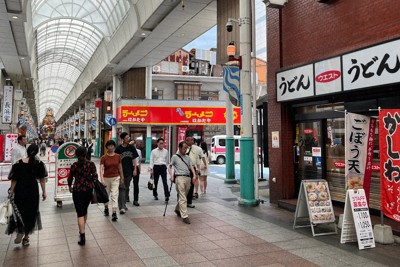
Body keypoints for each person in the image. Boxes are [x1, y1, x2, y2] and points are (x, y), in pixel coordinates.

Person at [7, 144, 47, 246]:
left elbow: (14, 180)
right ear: (37, 152)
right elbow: (42, 179)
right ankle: (26, 237)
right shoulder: (38, 163)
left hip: (20, 189)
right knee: (31, 212)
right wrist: (44, 192)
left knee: (20, 211)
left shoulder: (18, 163)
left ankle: (20, 230)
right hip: (32, 190)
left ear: (27, 151)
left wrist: (11, 192)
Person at [68, 146, 98, 246]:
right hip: (88, 190)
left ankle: (82, 235)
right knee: (84, 210)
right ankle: (82, 228)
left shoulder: (74, 165)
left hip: (77, 191)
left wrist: (69, 187)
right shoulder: (91, 164)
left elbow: (70, 178)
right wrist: (91, 184)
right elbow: (95, 177)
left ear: (76, 154)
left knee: (79, 213)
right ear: (85, 154)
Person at [168, 141, 197, 224]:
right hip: (179, 178)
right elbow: (169, 166)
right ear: (180, 148)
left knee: (184, 196)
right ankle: (185, 216)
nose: (185, 150)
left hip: (188, 177)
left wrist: (194, 175)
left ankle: (177, 209)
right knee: (182, 196)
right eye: (184, 148)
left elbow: (191, 166)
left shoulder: (187, 157)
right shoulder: (175, 157)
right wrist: (171, 176)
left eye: (186, 148)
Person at [100, 140, 124, 221]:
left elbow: (120, 168)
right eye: (109, 146)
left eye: (112, 145)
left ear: (114, 146)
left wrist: (122, 177)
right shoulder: (104, 157)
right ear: (107, 147)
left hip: (115, 178)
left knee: (114, 195)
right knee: (106, 195)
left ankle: (114, 212)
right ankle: (106, 208)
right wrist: (102, 179)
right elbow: (101, 169)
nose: (111, 147)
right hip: (106, 178)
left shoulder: (118, 156)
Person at [115, 132, 138, 213]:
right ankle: (121, 206)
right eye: (127, 138)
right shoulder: (118, 149)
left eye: (129, 137)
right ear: (122, 139)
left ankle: (123, 204)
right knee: (122, 188)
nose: (128, 139)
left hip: (129, 171)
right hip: (120, 172)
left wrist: (135, 169)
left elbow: (134, 159)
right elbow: (116, 161)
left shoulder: (131, 148)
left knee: (126, 188)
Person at [185, 136, 207, 207]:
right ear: (186, 141)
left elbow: (198, 159)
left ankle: (189, 202)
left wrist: (198, 169)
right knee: (183, 185)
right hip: (183, 169)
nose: (192, 141)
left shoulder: (197, 149)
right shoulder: (182, 146)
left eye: (192, 140)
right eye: (190, 140)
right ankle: (182, 201)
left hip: (192, 169)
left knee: (191, 185)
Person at [129, 139, 142, 206]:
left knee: (136, 184)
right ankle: (127, 196)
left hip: (136, 167)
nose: (132, 145)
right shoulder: (128, 151)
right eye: (131, 144)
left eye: (133, 144)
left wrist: (139, 169)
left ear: (135, 144)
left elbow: (139, 160)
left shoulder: (139, 151)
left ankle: (136, 200)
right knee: (127, 183)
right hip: (128, 168)